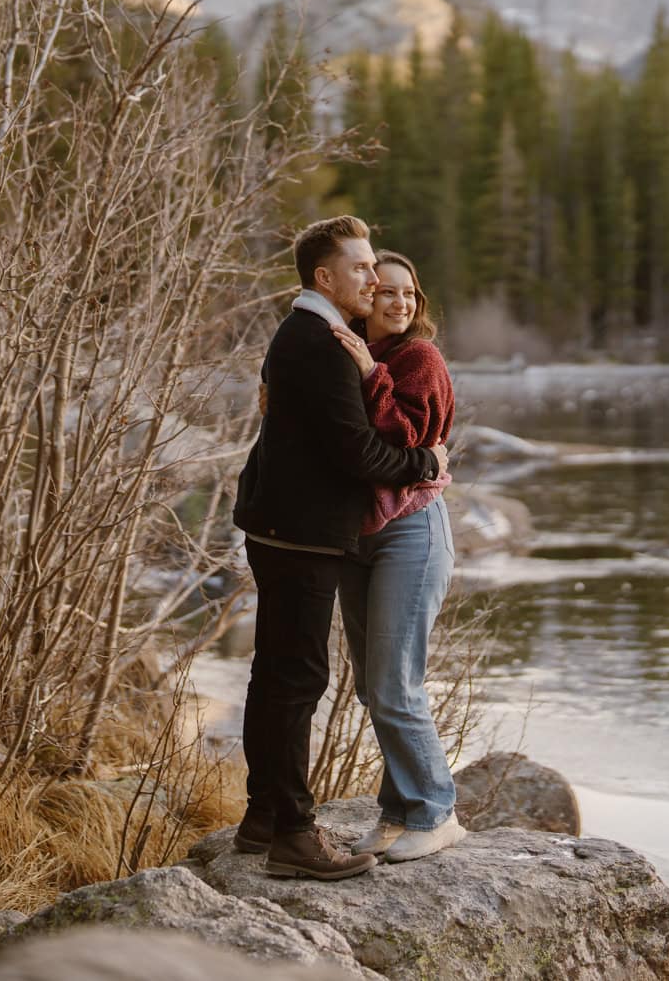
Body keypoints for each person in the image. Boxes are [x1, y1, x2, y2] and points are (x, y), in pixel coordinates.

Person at [230, 216, 446, 881]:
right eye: (362, 269)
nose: (376, 280)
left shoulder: (310, 336)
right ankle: (291, 830)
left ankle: (265, 814)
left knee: (277, 675)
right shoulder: (324, 342)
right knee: (295, 679)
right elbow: (357, 453)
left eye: (380, 271)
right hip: (302, 533)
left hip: (287, 527)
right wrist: (425, 461)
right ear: (325, 276)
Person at [326, 249, 466, 863]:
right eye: (386, 291)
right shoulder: (347, 352)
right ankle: (396, 812)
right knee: (373, 686)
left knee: (394, 683)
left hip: (412, 529)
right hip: (358, 535)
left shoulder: (418, 358)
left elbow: (411, 435)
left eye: (410, 294)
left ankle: (437, 811)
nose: (399, 302)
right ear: (364, 295)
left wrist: (367, 372)